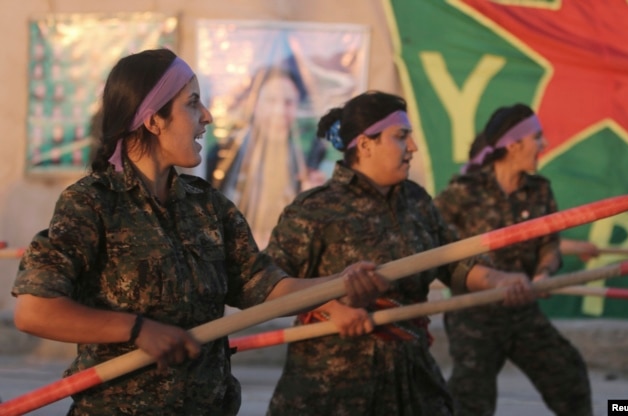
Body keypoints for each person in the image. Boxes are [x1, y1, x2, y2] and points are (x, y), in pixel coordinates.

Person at [11, 49, 389, 416]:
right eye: (193, 103)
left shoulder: (207, 205)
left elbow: (267, 286)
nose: (207, 116)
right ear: (153, 120)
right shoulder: (91, 204)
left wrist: (338, 285)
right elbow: (35, 311)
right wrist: (137, 329)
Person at [263, 91, 537, 416]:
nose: (413, 147)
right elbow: (268, 283)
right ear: (365, 145)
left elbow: (452, 262)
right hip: (335, 386)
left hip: (412, 380)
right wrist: (331, 307)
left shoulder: (417, 201)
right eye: (401, 137)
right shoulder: (315, 209)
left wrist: (499, 281)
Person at [433, 103, 593, 416]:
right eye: (537, 137)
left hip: (523, 310)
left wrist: (544, 274)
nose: (543, 145)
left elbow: (550, 243)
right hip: (474, 315)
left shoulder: (540, 191)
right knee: (470, 398)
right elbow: (433, 244)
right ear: (514, 144)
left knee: (568, 375)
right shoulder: (463, 192)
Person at [205, 66, 326, 248]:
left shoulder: (307, 159)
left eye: (288, 102)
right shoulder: (223, 155)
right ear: (254, 104)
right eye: (271, 100)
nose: (280, 111)